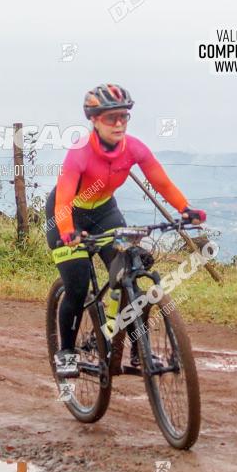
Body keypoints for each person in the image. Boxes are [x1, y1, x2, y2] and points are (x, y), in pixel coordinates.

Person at [46, 83, 206, 377]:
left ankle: (133, 346)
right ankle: (66, 352)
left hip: (105, 213)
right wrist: (68, 231)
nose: (119, 123)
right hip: (67, 216)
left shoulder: (134, 148)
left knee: (132, 267)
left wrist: (185, 209)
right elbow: (64, 199)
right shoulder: (79, 153)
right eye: (111, 118)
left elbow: (162, 183)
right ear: (94, 119)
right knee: (77, 285)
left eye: (124, 116)